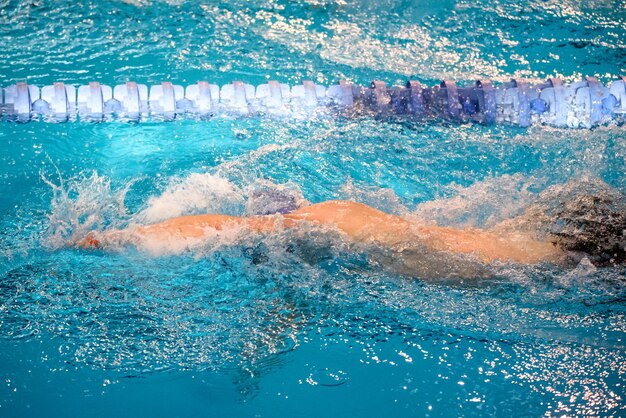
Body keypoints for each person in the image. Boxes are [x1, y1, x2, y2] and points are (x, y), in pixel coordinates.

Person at [76, 179, 626, 278]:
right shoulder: (550, 265)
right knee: (244, 231)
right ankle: (119, 238)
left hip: (368, 225)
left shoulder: (538, 254)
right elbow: (229, 227)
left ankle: (120, 238)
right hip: (359, 230)